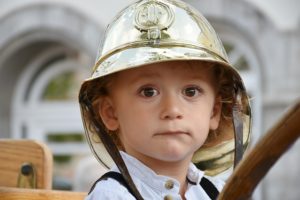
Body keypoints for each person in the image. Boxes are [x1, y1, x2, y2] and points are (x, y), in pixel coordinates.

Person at [79, 0, 251, 199]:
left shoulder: (216, 192)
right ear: (110, 113)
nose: (172, 109)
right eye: (148, 92)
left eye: (191, 92)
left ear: (214, 111)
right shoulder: (112, 195)